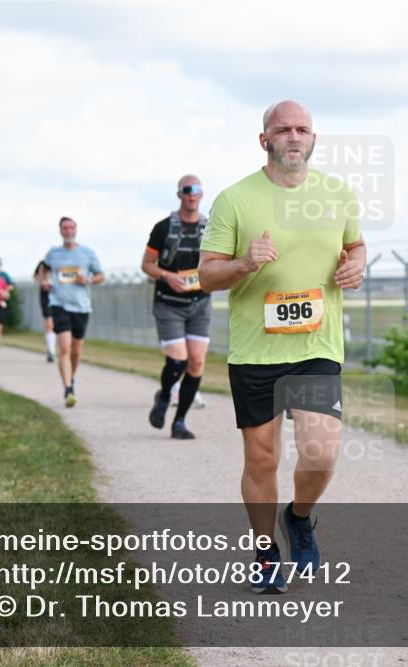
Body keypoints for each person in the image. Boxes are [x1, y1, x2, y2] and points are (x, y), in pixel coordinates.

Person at [199, 101, 366, 593]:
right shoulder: (234, 200)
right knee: (263, 459)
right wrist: (245, 263)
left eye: (302, 129)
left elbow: (355, 246)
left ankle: (299, 517)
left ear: (313, 138)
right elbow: (207, 275)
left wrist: (356, 264)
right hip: (255, 352)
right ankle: (265, 550)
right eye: (283, 130)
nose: (293, 136)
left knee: (319, 453)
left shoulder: (337, 194)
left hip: (316, 346)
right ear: (264, 140)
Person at [142, 175, 212, 439]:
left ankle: (180, 421)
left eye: (196, 189)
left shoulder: (211, 228)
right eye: (187, 190)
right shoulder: (163, 228)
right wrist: (167, 276)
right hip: (169, 304)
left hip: (199, 304)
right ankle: (163, 397)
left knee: (196, 363)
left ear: (202, 194)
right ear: (179, 194)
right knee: (178, 361)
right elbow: (146, 264)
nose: (192, 194)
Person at [41, 216, 105, 407]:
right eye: (65, 228)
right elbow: (42, 271)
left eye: (71, 228)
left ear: (76, 230)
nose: (68, 231)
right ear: (60, 231)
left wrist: (88, 280)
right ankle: (68, 388)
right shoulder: (53, 253)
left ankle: (71, 378)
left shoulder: (87, 253)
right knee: (65, 348)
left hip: (81, 306)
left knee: (76, 351)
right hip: (59, 304)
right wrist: (44, 281)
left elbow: (101, 276)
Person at [33, 260, 56, 362]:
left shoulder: (62, 262)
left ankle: (57, 349)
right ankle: (51, 351)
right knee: (49, 323)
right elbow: (35, 276)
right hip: (46, 296)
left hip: (60, 295)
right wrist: (43, 282)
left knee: (58, 325)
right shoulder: (44, 263)